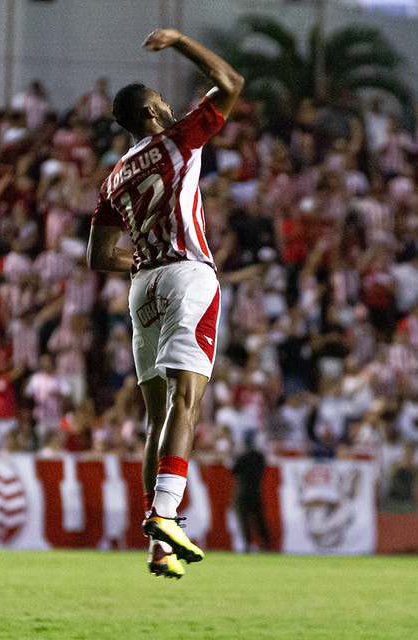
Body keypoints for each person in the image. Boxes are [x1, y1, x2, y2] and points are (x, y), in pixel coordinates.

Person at [87, 27, 243, 579]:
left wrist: (137, 262)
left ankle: (158, 544)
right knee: (187, 399)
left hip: (141, 289)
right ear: (153, 110)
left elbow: (98, 255)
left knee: (157, 419)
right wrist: (179, 42)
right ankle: (166, 512)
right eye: (162, 99)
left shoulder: (114, 178)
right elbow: (230, 81)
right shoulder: (178, 139)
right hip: (186, 276)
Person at [232, 432, 271, 553]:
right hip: (255, 490)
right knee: (259, 519)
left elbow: (234, 470)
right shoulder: (259, 457)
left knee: (244, 520)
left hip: (242, 490)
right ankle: (266, 543)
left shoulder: (242, 457)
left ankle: (247, 544)